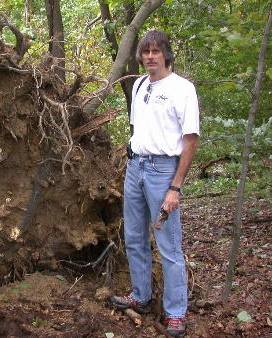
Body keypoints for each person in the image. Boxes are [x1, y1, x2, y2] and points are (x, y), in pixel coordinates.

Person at [109, 30, 199, 337]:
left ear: (166, 54)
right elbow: (139, 126)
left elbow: (190, 141)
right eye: (145, 51)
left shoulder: (182, 89)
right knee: (134, 237)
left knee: (169, 246)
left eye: (155, 51)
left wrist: (175, 187)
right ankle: (141, 295)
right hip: (135, 167)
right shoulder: (138, 84)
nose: (150, 56)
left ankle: (176, 313)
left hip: (163, 172)